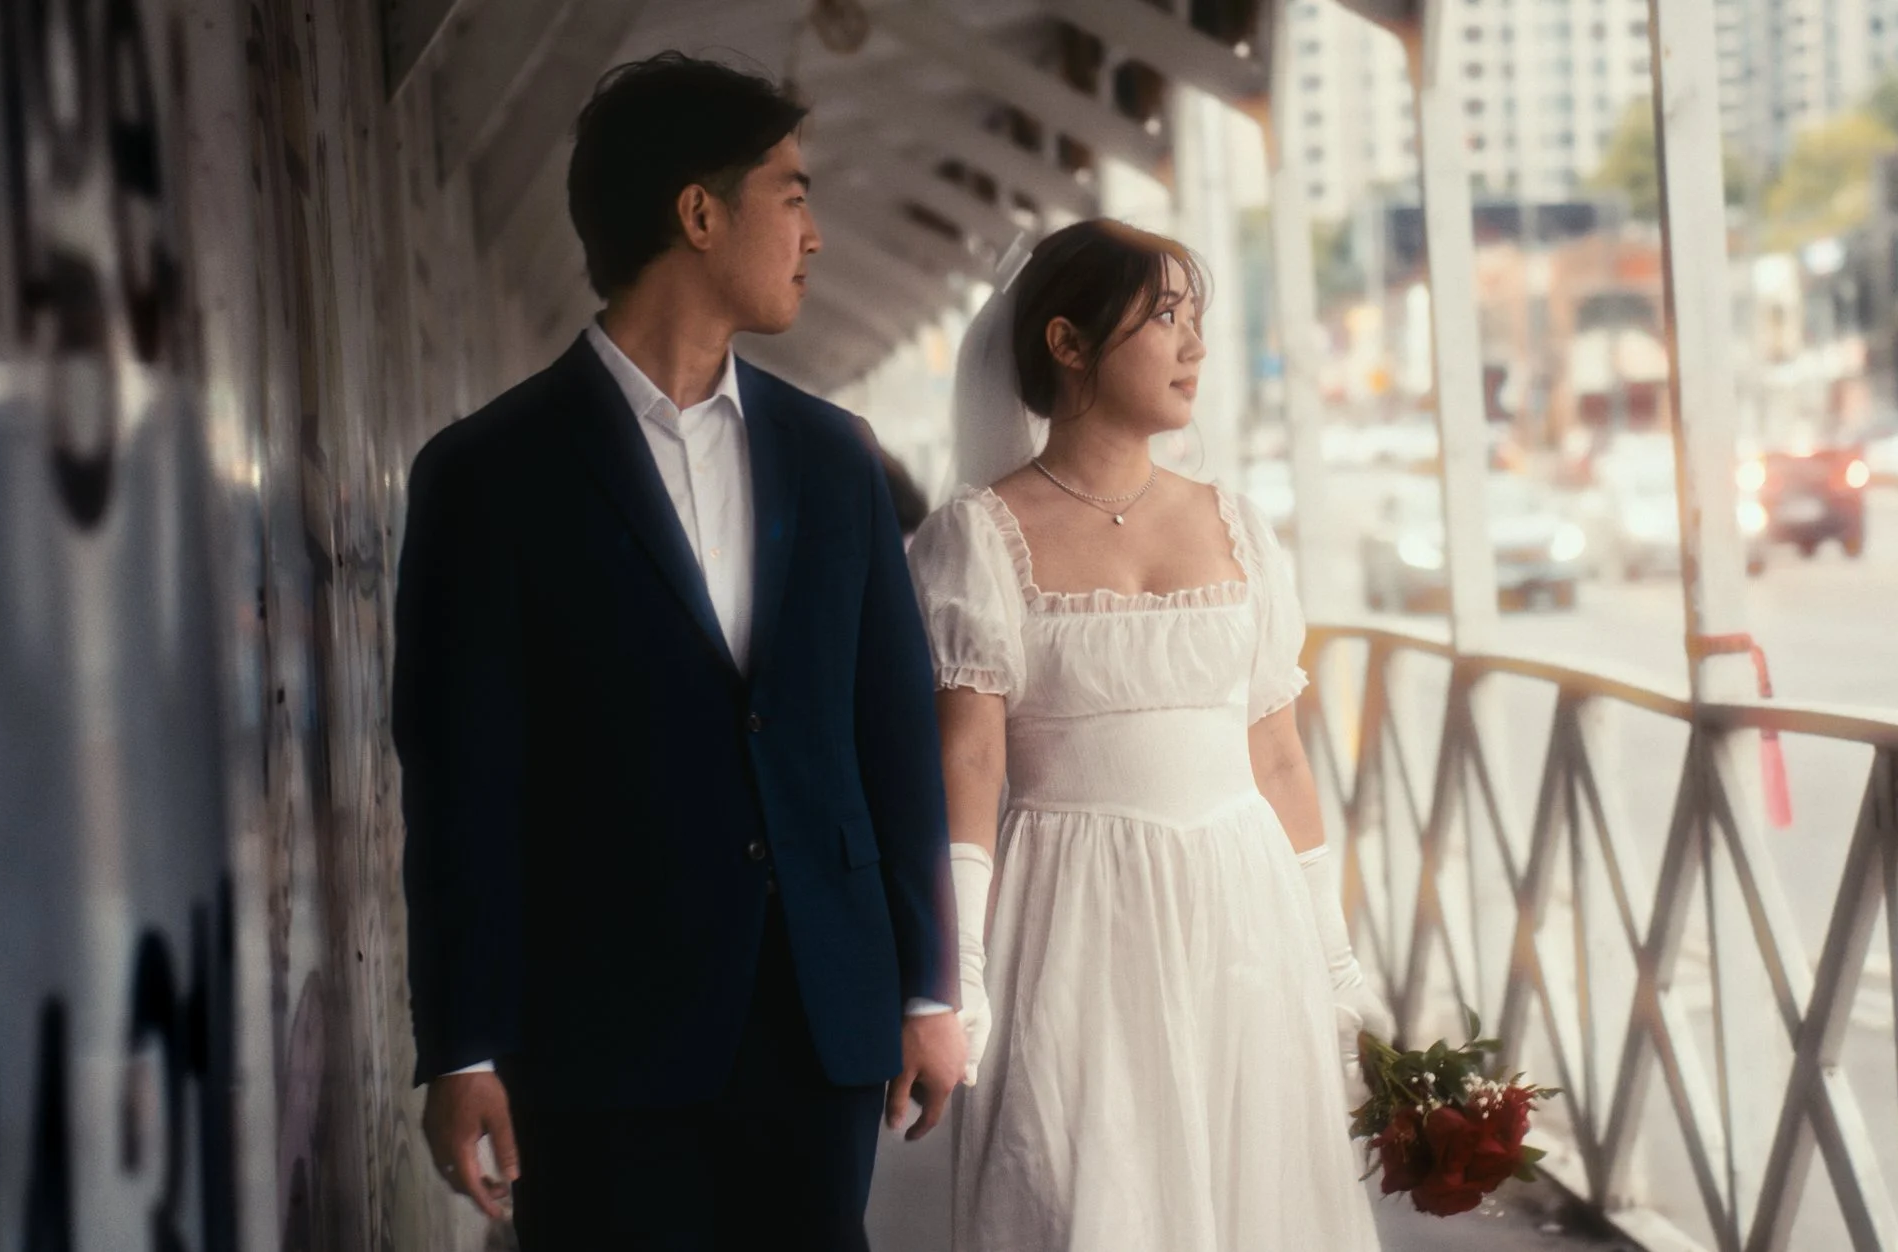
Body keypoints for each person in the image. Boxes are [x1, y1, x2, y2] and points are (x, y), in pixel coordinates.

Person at [393, 54, 963, 1250]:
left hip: (820, 1019)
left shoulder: (835, 458)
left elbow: (894, 736)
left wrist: (925, 988)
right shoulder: (488, 474)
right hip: (599, 1035)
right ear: (698, 213)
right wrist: (461, 1043)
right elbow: (461, 783)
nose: (815, 235)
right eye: (793, 193)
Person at [910, 219, 1392, 1251]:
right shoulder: (979, 533)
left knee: (1250, 1192)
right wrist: (963, 971)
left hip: (1240, 906)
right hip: (1073, 918)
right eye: (1165, 315)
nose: (1195, 346)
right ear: (1068, 342)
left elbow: (1276, 756)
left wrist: (1337, 965)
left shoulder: (1238, 524)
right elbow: (970, 757)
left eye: (1197, 319)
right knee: (1086, 1189)